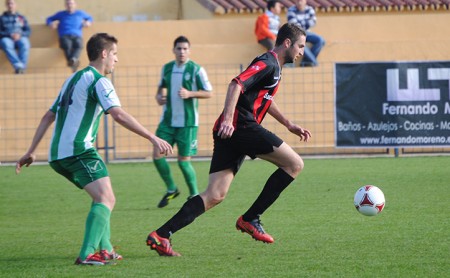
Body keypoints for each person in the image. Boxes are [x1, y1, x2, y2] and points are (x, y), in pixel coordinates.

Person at [146, 23, 311, 256]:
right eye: (300, 46)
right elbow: (237, 83)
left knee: (215, 195)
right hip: (241, 126)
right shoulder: (269, 62)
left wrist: (288, 124)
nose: (302, 52)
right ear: (287, 43)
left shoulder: (274, 66)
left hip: (231, 131)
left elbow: (264, 97)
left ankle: (161, 234)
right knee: (294, 164)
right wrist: (228, 119)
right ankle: (251, 218)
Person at [15, 33, 173, 265]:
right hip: (79, 150)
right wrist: (152, 137)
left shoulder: (72, 79)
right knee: (106, 197)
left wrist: (31, 150)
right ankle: (87, 253)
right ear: (104, 53)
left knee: (102, 197)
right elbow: (118, 114)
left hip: (58, 155)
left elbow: (49, 114)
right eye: (115, 54)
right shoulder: (99, 81)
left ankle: (106, 249)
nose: (117, 60)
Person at [153, 35, 213, 208]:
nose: (182, 52)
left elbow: (209, 92)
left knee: (183, 161)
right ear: (174, 50)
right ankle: (172, 189)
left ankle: (194, 194)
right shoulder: (167, 68)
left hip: (188, 123)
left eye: (185, 49)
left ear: (189, 51)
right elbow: (160, 89)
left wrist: (190, 94)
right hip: (167, 121)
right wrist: (159, 97)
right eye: (179, 48)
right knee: (157, 156)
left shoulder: (196, 69)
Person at [46, 0, 92, 72]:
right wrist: (51, 24)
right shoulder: (61, 14)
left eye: (71, 3)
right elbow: (49, 19)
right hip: (65, 35)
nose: (70, 5)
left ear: (75, 5)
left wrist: (88, 22)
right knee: (67, 45)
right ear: (65, 5)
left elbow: (89, 18)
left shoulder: (80, 13)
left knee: (79, 45)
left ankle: (72, 61)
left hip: (77, 35)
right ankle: (73, 62)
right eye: (68, 4)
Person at [287, 0, 325, 67]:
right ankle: (314, 62)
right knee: (303, 46)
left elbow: (313, 22)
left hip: (307, 33)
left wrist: (301, 23)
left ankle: (305, 61)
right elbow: (294, 25)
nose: (299, 2)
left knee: (321, 40)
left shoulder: (310, 9)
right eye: (298, 1)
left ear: (305, 1)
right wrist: (306, 22)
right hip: (296, 34)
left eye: (301, 0)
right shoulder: (291, 10)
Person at [0, 0, 30, 74]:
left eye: (12, 3)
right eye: (8, 4)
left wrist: (20, 34)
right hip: (7, 37)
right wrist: (10, 35)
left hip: (20, 37)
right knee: (5, 43)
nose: (10, 5)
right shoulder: (1, 18)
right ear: (6, 5)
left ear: (15, 5)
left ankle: (21, 68)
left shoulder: (21, 17)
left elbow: (28, 30)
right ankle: (19, 66)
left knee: (25, 43)